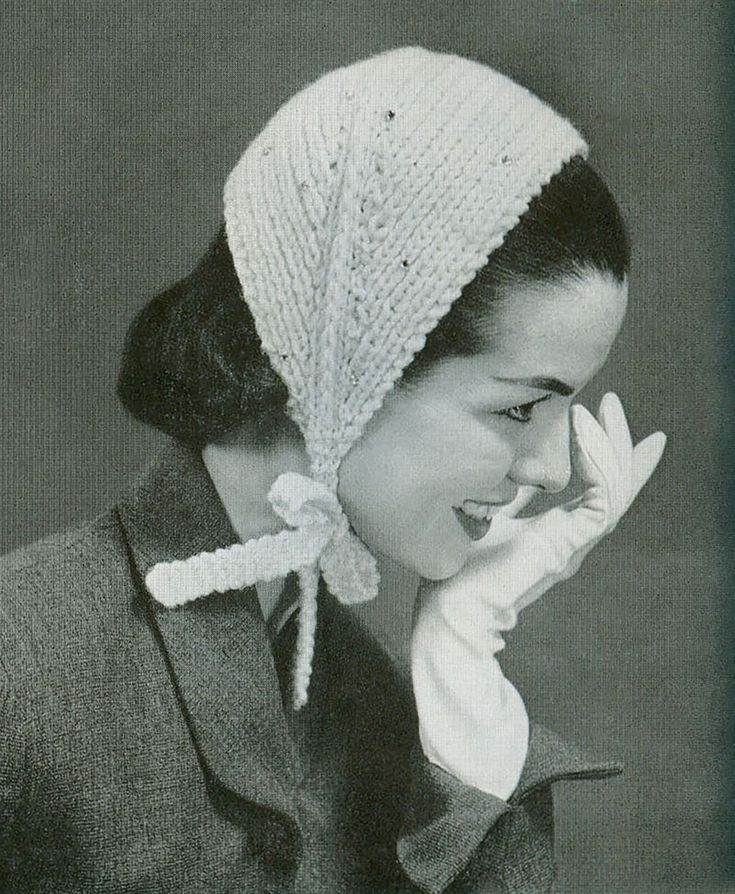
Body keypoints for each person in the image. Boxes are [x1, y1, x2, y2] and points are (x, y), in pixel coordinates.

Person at [0, 46, 666, 892]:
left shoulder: (377, 699)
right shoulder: (18, 663)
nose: (550, 467)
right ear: (349, 363)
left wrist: (460, 653)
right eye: (518, 406)